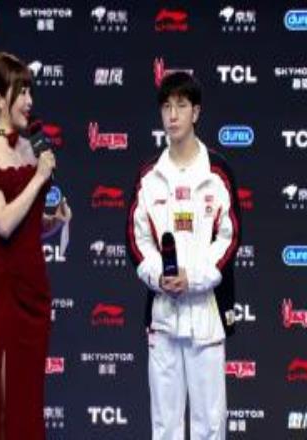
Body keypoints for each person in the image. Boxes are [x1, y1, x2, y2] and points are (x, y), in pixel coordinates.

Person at [0, 51, 71, 440]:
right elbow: (3, 223)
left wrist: (52, 222)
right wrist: (40, 178)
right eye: (20, 91)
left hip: (34, 285)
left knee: (30, 394)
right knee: (5, 392)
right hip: (4, 288)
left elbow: (26, 226)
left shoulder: (30, 148)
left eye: (30, 91)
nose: (29, 101)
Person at [126, 71, 241, 440]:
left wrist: (194, 278)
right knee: (165, 427)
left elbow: (230, 238)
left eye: (181, 105)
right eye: (166, 107)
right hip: (163, 316)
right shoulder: (148, 176)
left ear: (196, 112)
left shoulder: (218, 172)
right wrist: (159, 276)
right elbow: (136, 239)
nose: (172, 115)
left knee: (211, 426)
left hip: (206, 313)